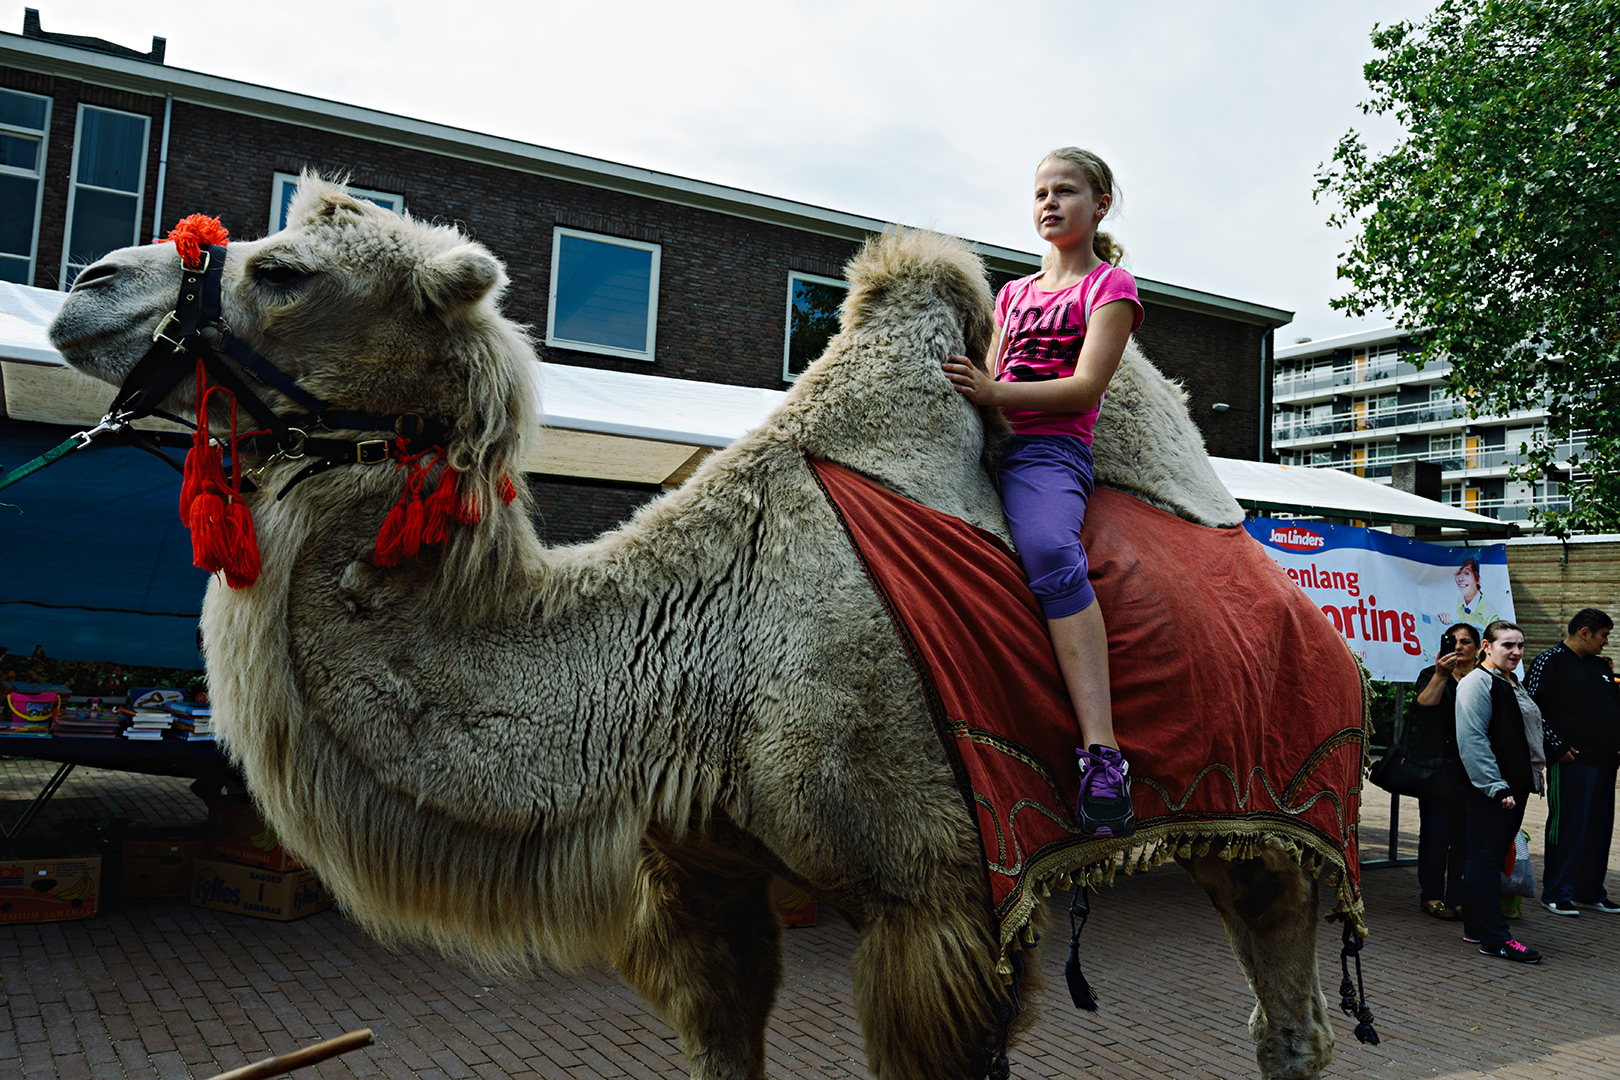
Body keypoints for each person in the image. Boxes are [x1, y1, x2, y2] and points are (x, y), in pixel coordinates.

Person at [941, 146, 1144, 839]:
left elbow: (1085, 389)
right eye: (1040, 194)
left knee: (1051, 550)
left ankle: (1103, 754)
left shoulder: (1112, 288)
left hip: (1048, 451)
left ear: (1100, 206)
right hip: (987, 439)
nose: (1049, 203)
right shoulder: (1012, 294)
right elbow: (987, 373)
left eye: (1065, 191)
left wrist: (993, 392)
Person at [1454, 620, 1546, 962]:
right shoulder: (1477, 682)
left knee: (1487, 858)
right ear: (1486, 646)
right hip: (1493, 790)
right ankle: (1495, 937)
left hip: (1512, 787)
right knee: (1486, 859)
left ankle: (1477, 927)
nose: (1516, 651)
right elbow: (1472, 739)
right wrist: (1495, 787)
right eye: (1508, 645)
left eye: (1520, 645)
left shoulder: (1510, 681)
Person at [1525, 608, 1620, 916]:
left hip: (1605, 762)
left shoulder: (1599, 666)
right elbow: (1530, 708)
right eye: (1603, 636)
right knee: (1567, 826)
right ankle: (1557, 892)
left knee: (1598, 828)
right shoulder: (1549, 661)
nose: (1606, 642)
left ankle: (1589, 892)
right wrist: (1557, 746)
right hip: (1571, 761)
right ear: (1584, 632)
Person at [1410, 622, 1479, 920]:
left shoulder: (1484, 677)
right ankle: (1432, 895)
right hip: (1439, 769)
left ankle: (1459, 897)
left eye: (1466, 641)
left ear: (1479, 648)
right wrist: (1441, 675)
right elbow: (1422, 708)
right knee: (1436, 835)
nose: (1459, 646)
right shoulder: (1432, 674)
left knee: (1466, 837)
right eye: (1453, 641)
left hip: (1474, 769)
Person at [1438, 557, 1499, 628]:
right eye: (1458, 573)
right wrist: (1442, 619)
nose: (1460, 579)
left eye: (1467, 573)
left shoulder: (1489, 615)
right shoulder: (1457, 602)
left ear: (1478, 579)